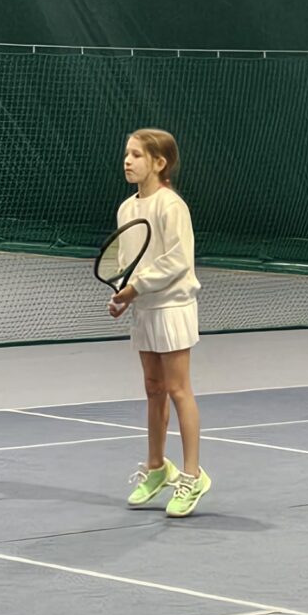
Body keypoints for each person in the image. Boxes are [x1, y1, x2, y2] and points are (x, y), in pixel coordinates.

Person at [108, 128, 209, 518]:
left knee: (178, 389)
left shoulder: (171, 206)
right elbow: (127, 261)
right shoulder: (126, 209)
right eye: (126, 154)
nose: (127, 161)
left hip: (172, 306)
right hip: (144, 308)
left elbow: (177, 260)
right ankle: (156, 468)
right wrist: (124, 293)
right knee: (153, 389)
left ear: (159, 163)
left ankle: (192, 475)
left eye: (136, 155)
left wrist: (135, 287)